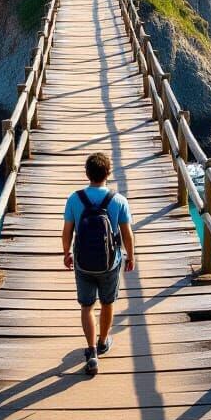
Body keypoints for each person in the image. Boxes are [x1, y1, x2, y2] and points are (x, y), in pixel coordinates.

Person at [62, 152, 135, 375]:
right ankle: (103, 341)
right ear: (108, 173)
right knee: (107, 302)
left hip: (83, 262)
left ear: (87, 173)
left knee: (86, 306)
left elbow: (67, 232)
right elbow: (127, 234)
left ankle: (92, 350)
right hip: (110, 263)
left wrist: (66, 253)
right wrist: (130, 256)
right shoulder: (119, 200)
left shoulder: (74, 199)